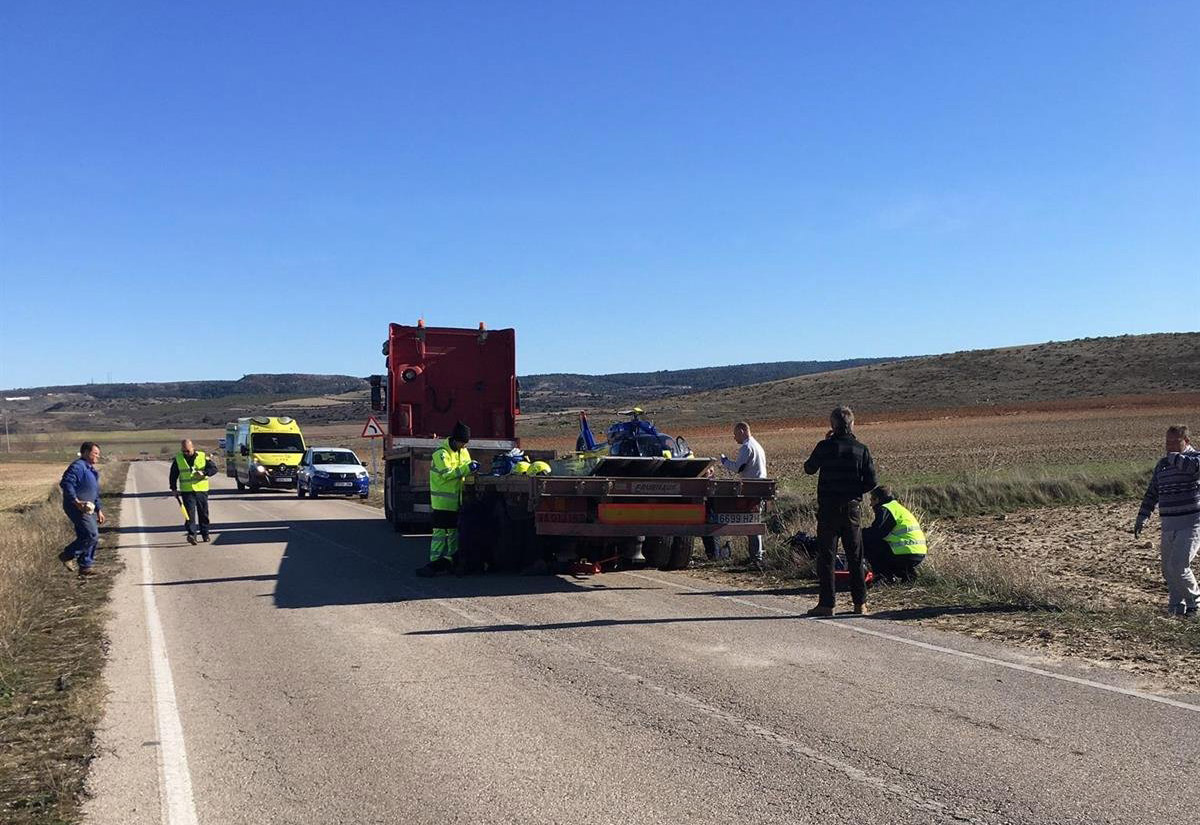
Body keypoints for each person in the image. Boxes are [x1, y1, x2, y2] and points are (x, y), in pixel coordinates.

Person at [803, 406, 877, 616]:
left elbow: (809, 468)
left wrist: (826, 442)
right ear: (852, 424)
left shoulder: (824, 447)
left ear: (832, 425)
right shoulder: (861, 449)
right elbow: (871, 481)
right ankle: (859, 603)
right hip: (851, 509)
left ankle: (827, 604)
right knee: (855, 555)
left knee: (827, 556)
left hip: (828, 508)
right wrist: (854, 493)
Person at [1135, 425, 1200, 617]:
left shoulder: (1195, 458)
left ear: (1186, 441)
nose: (1169, 446)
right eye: (1167, 442)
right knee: (1168, 569)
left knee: (1179, 565)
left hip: (1191, 522)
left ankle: (1195, 603)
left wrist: (1174, 458)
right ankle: (1176, 607)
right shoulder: (1162, 465)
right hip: (1169, 523)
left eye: (1174, 442)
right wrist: (1143, 516)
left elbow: (1194, 468)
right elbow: (1152, 492)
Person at [416, 421, 479, 577]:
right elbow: (447, 474)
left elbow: (465, 469)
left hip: (457, 501)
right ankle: (434, 563)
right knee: (439, 535)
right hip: (442, 503)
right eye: (462, 443)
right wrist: (467, 468)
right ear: (455, 440)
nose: (464, 446)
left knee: (453, 534)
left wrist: (473, 469)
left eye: (466, 443)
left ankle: (452, 562)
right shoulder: (440, 454)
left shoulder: (464, 452)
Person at [709, 421, 769, 566]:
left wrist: (725, 461)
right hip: (759, 487)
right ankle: (756, 555)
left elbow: (738, 468)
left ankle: (757, 557)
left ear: (742, 431)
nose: (734, 438)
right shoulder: (757, 445)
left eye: (735, 434)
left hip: (752, 489)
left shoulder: (747, 447)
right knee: (753, 521)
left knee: (752, 522)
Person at [59, 442, 106, 576]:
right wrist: (76, 501)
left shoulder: (91, 470)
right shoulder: (78, 467)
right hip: (77, 507)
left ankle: (85, 566)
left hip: (88, 508)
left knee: (86, 535)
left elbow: (94, 493)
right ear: (85, 452)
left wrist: (99, 510)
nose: (98, 456)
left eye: (98, 454)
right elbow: (66, 483)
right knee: (92, 535)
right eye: (95, 453)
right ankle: (67, 555)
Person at [862, 486, 926, 581]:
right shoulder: (897, 508)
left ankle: (883, 577)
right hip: (918, 552)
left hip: (905, 552)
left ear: (877, 499)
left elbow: (876, 533)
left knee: (867, 541)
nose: (871, 504)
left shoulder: (886, 509)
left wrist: (858, 533)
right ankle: (907, 575)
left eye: (871, 500)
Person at [169, 438, 219, 545]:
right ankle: (192, 535)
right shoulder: (178, 459)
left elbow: (214, 469)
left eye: (188, 451)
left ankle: (205, 534)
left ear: (193, 448)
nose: (186, 453)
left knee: (203, 513)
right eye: (184, 451)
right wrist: (173, 489)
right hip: (187, 491)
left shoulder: (202, 456)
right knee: (189, 515)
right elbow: (173, 475)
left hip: (201, 490)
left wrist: (205, 473)